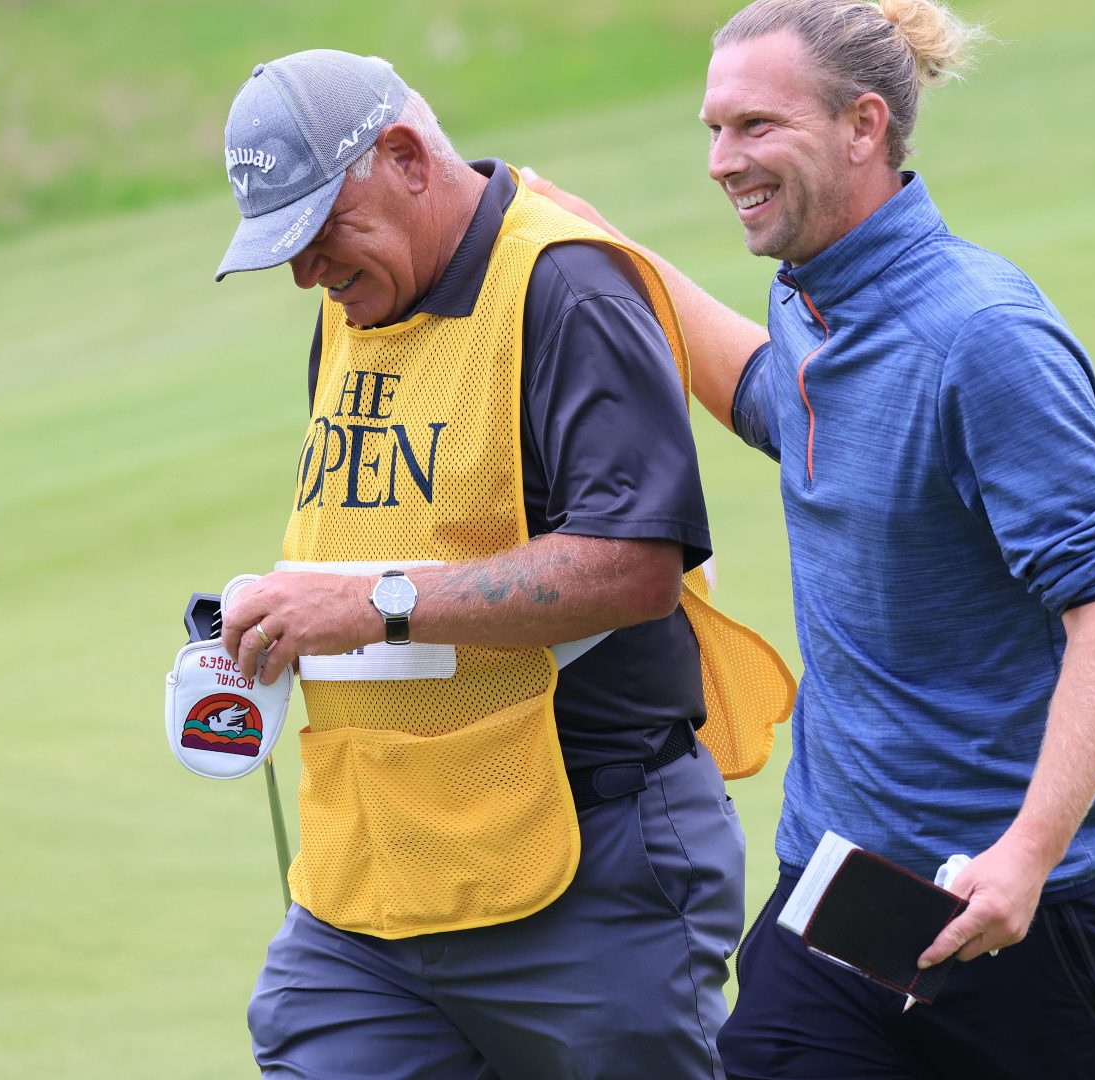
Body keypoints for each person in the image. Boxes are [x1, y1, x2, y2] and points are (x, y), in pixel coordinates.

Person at [528, 0, 1095, 1075]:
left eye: (755, 128)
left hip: (1021, 912)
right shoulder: (816, 303)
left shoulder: (984, 335)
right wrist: (606, 250)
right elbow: (777, 400)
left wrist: (1022, 859)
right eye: (713, 131)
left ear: (864, 125)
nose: (723, 161)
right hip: (841, 893)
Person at [206, 49, 790, 1080]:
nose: (307, 273)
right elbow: (383, 531)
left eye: (319, 231)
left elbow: (631, 566)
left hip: (586, 870)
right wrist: (281, 616)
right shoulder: (357, 303)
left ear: (404, 158)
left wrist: (368, 605)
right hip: (375, 877)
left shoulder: (566, 287)